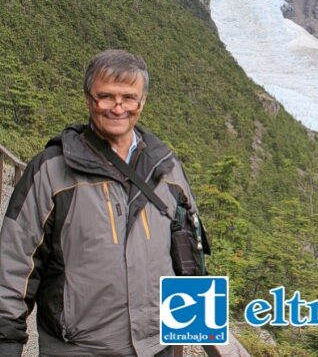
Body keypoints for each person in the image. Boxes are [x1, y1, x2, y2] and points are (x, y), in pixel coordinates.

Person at [0, 50, 240, 357]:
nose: (117, 108)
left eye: (128, 97)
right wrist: (7, 342)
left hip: (157, 347)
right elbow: (14, 264)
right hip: (78, 348)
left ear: (142, 102)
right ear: (88, 99)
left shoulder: (166, 167)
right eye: (106, 96)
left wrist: (205, 335)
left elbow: (188, 254)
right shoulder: (52, 170)